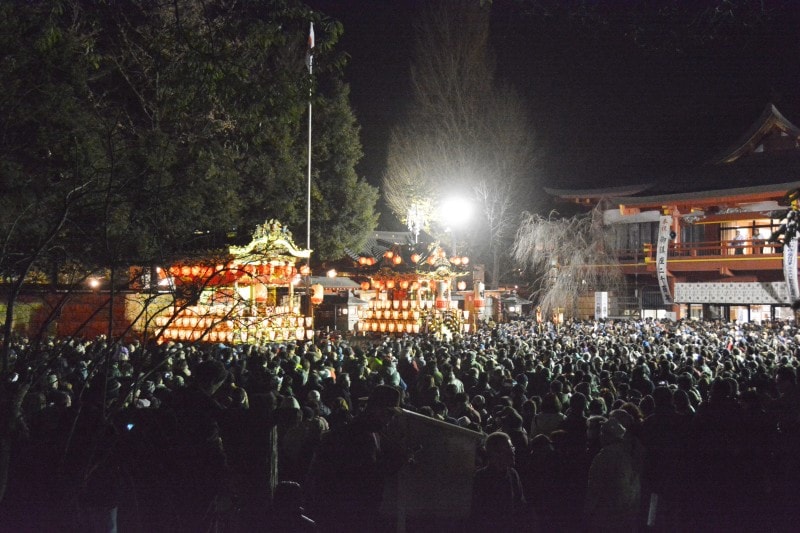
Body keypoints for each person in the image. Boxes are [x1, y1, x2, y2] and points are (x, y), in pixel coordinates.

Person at [306, 384, 407, 532]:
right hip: (350, 517)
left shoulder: (366, 431)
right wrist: (397, 461)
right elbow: (367, 476)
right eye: (390, 414)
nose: (390, 420)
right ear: (377, 410)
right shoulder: (361, 436)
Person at [469, 431, 527, 532]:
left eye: (512, 448)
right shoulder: (480, 479)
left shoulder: (513, 474)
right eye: (510, 448)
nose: (513, 452)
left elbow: (521, 506)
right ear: (495, 453)